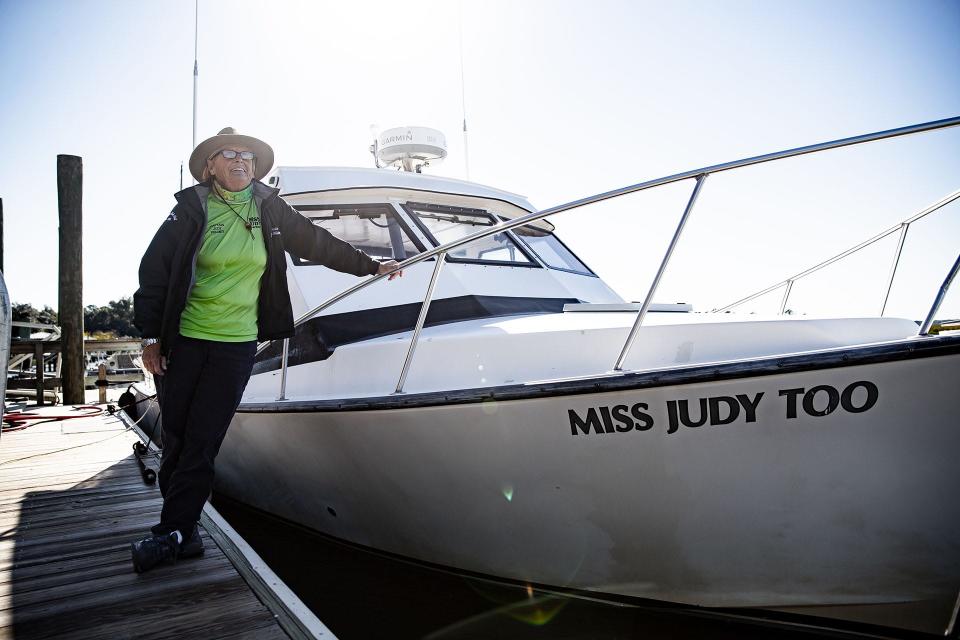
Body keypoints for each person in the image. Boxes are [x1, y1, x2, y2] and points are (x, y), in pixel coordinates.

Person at [130, 127, 401, 573]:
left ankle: (173, 532)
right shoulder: (191, 210)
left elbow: (318, 242)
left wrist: (370, 265)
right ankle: (186, 530)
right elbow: (153, 273)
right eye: (229, 154)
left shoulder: (269, 208)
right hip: (184, 342)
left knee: (202, 440)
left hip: (236, 345)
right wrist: (150, 337)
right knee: (177, 438)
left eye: (248, 157)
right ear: (210, 165)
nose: (240, 161)